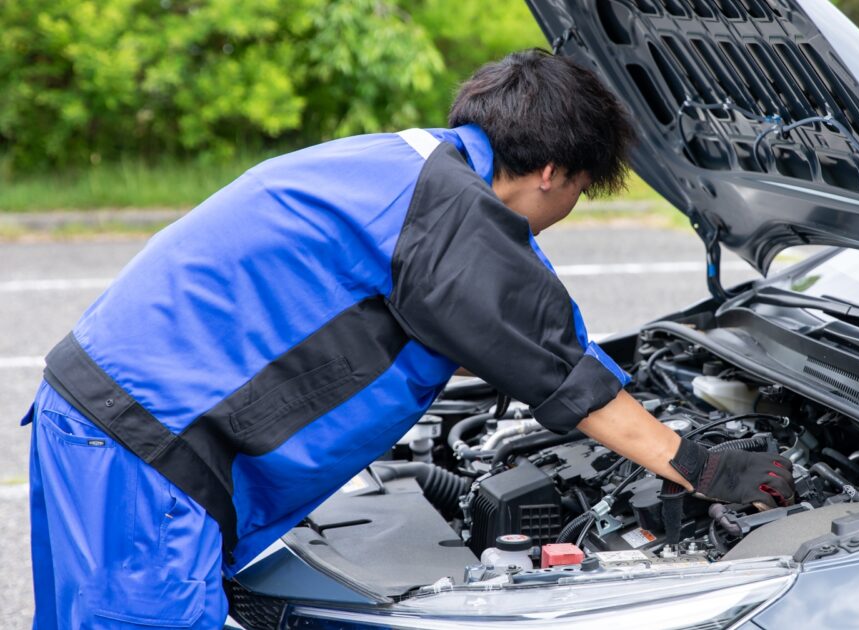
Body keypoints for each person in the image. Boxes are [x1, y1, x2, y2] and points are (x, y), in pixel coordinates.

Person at [23, 49, 795, 627]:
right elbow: (564, 372)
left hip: (94, 419)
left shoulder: (408, 165)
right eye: (582, 191)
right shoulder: (453, 213)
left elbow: (496, 328)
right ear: (552, 172)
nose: (569, 210)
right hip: (148, 461)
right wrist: (705, 468)